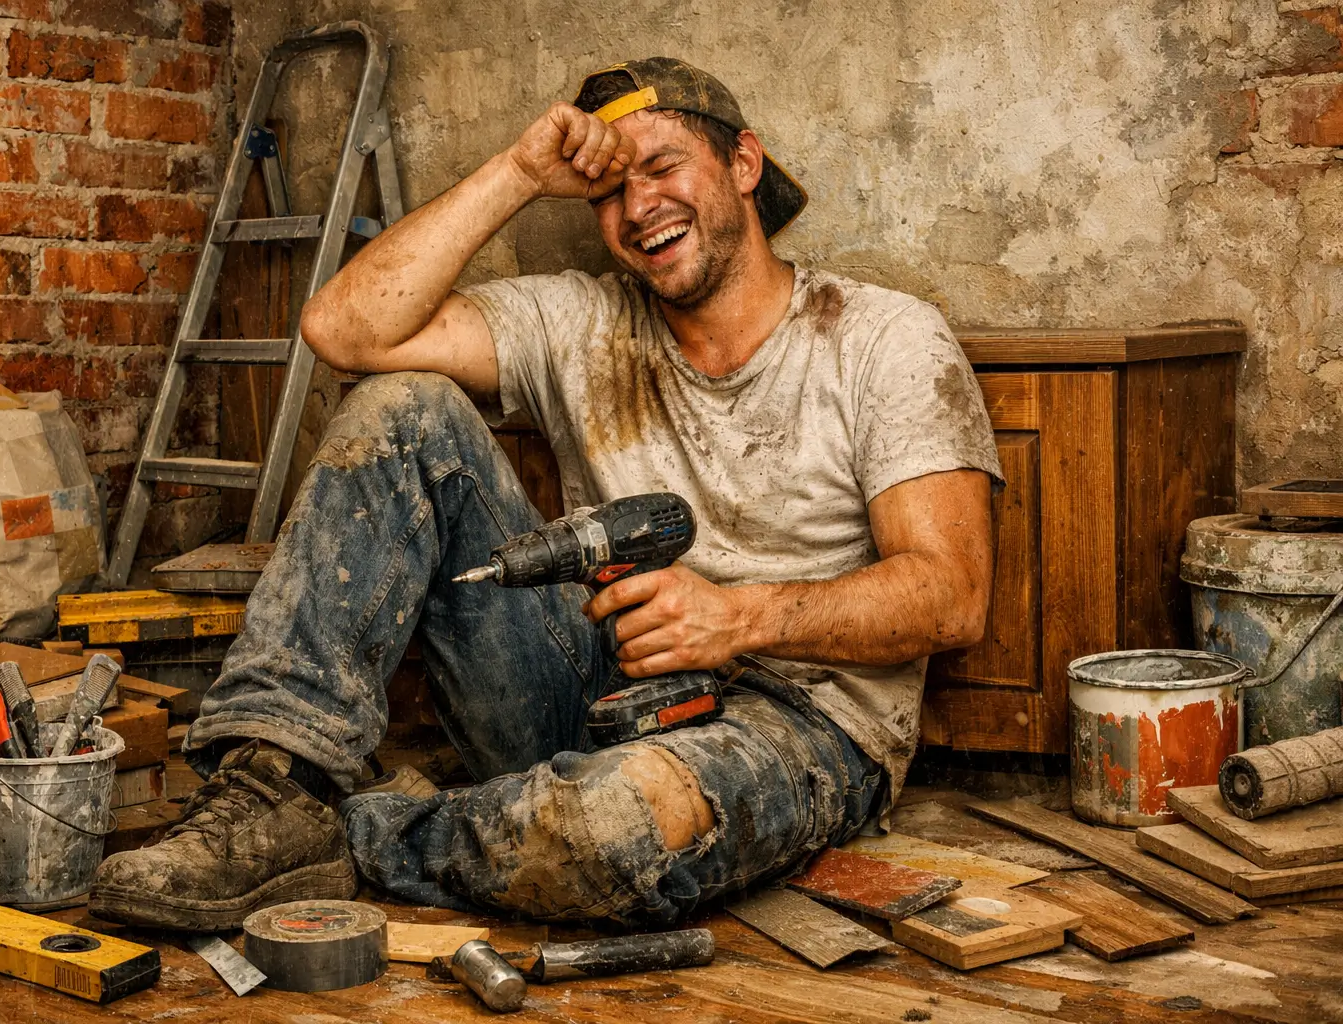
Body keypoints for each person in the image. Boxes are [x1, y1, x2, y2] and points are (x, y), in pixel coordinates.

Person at [90, 58, 1002, 932]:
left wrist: (738, 619)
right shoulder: (581, 320)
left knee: (613, 827)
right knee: (400, 408)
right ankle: (271, 787)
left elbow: (951, 596)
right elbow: (344, 330)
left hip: (799, 723)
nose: (638, 208)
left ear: (744, 163)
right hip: (592, 685)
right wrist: (522, 171)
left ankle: (358, 834)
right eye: (609, 190)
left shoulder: (882, 339)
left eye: (663, 167)